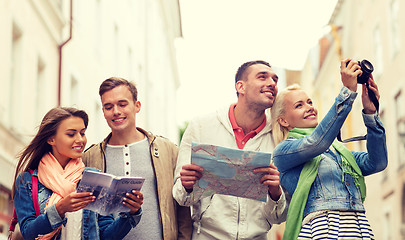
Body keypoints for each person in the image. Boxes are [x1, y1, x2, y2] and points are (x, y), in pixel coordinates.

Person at [271, 58, 388, 240]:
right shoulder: (283, 151)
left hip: (357, 225)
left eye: (309, 102)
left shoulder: (338, 151)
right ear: (283, 121)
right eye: (299, 105)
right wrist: (348, 91)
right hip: (323, 228)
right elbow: (317, 142)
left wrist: (371, 113)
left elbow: (377, 162)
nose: (310, 108)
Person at [173, 60, 288, 239]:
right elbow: (181, 198)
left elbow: (280, 217)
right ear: (240, 87)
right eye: (262, 77)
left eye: (275, 79)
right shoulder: (201, 127)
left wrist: (275, 193)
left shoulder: (280, 137)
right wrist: (187, 186)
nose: (272, 83)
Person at [82, 77, 192, 240]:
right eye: (108, 106)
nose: (116, 111)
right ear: (103, 111)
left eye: (122, 104)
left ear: (137, 106)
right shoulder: (90, 157)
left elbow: (182, 209)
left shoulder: (167, 150)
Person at [12, 107, 143, 240]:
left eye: (82, 133)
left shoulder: (94, 178)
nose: (80, 139)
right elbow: (28, 233)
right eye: (71, 134)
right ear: (51, 139)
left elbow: (105, 236)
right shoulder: (27, 181)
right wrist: (60, 209)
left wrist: (132, 213)